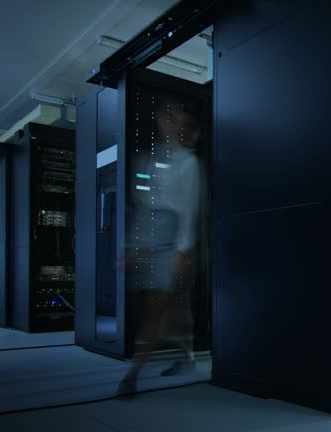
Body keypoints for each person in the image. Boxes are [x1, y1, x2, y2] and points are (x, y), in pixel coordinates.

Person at [118, 97, 202, 396]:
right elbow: (139, 208)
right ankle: (184, 354)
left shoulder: (188, 163)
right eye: (165, 113)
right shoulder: (147, 159)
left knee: (157, 308)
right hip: (148, 239)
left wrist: (182, 249)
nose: (170, 118)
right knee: (161, 308)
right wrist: (131, 246)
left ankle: (132, 375)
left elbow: (188, 209)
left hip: (171, 238)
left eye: (175, 114)